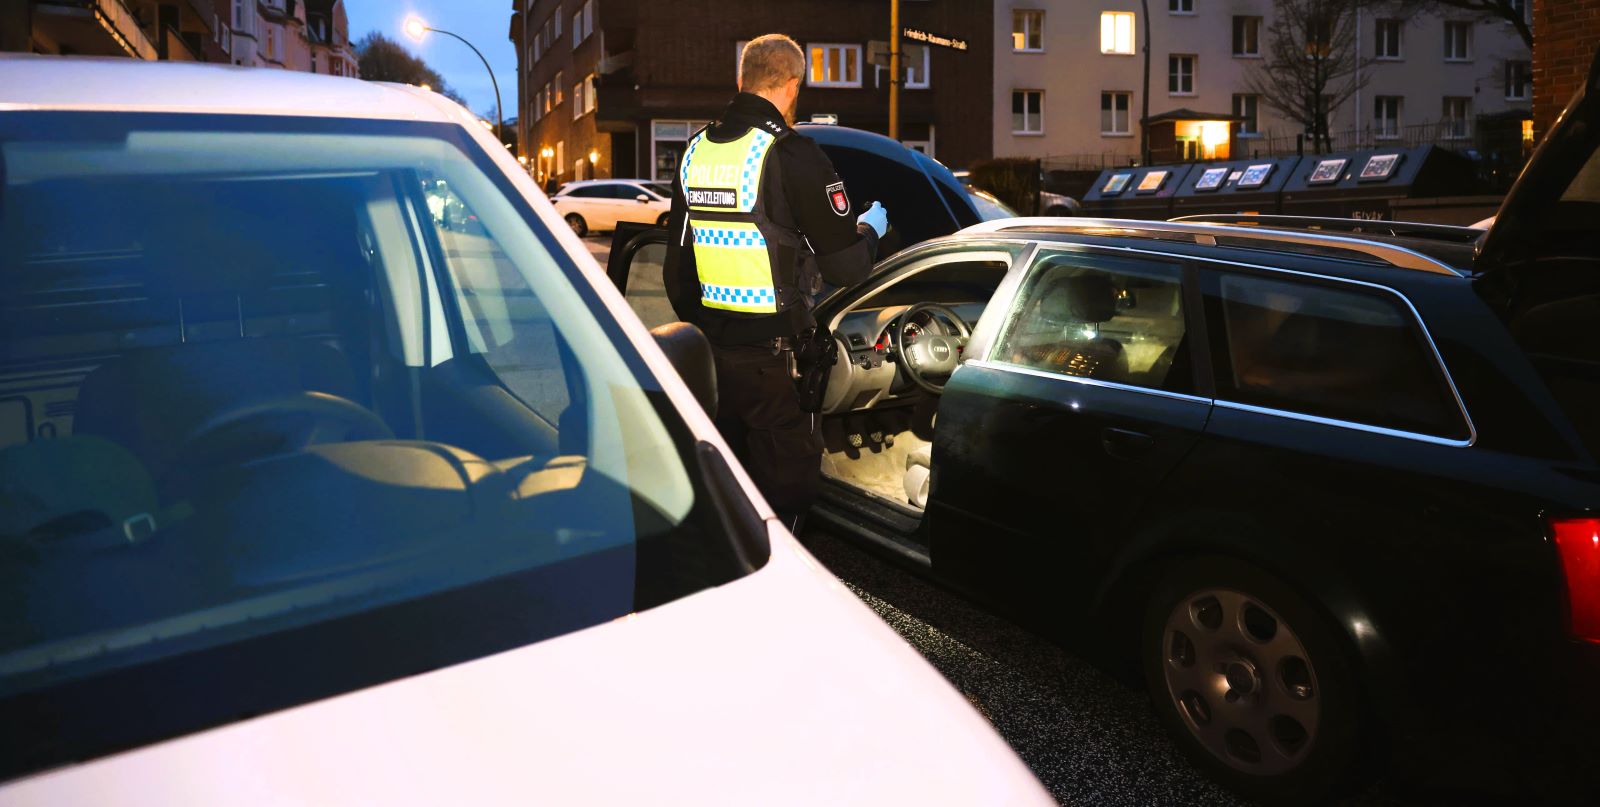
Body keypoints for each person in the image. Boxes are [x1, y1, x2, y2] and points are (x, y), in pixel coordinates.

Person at [663, 33, 889, 533]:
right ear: (791, 85)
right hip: (773, 362)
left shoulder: (695, 151)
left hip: (713, 357)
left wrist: (709, 331)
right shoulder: (793, 154)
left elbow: (676, 272)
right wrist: (872, 230)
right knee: (785, 497)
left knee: (726, 488)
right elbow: (848, 269)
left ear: (740, 81)